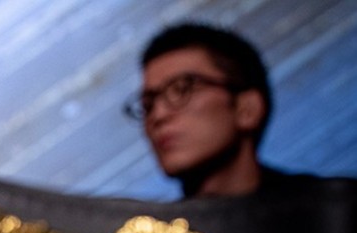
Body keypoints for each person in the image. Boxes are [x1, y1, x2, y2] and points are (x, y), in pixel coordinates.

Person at [124, 21, 323, 198]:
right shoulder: (145, 227)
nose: (158, 115)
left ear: (247, 108)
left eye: (182, 89)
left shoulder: (330, 211)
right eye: (147, 105)